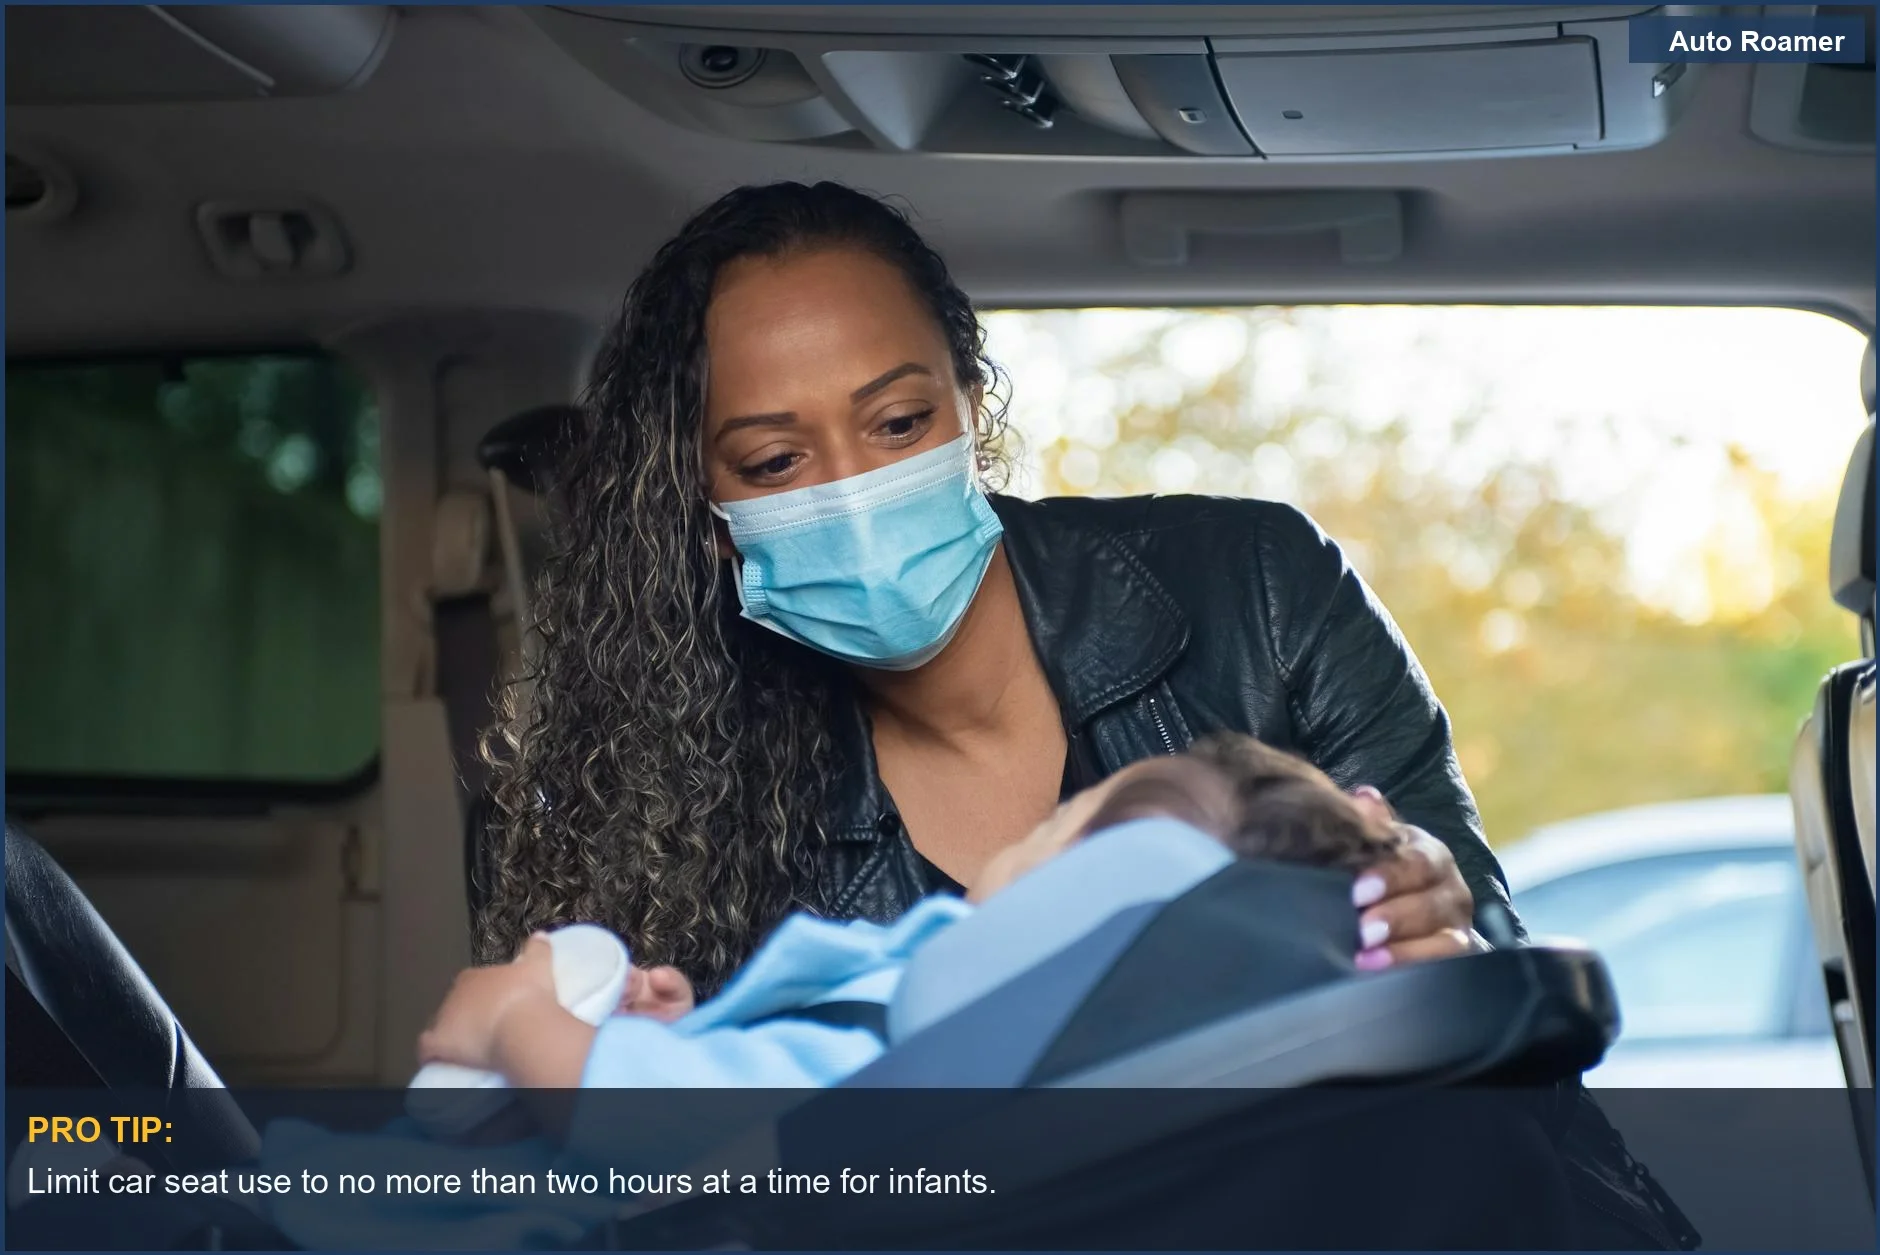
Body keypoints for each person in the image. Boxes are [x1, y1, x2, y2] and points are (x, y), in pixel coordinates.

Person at [472, 180, 1694, 1249]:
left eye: (897, 422)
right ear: (701, 507)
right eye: (774, 462)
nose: (852, 491)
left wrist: (1442, 930)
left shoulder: (1260, 588)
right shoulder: (680, 792)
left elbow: (1499, 1003)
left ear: (969, 402)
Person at [426, 736, 1403, 1093]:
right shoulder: (944, 1039)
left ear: (1069, 918)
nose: (1027, 831)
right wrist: (685, 1032)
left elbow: (652, 1130)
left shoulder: (908, 1061)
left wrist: (516, 1020)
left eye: (1058, 824)